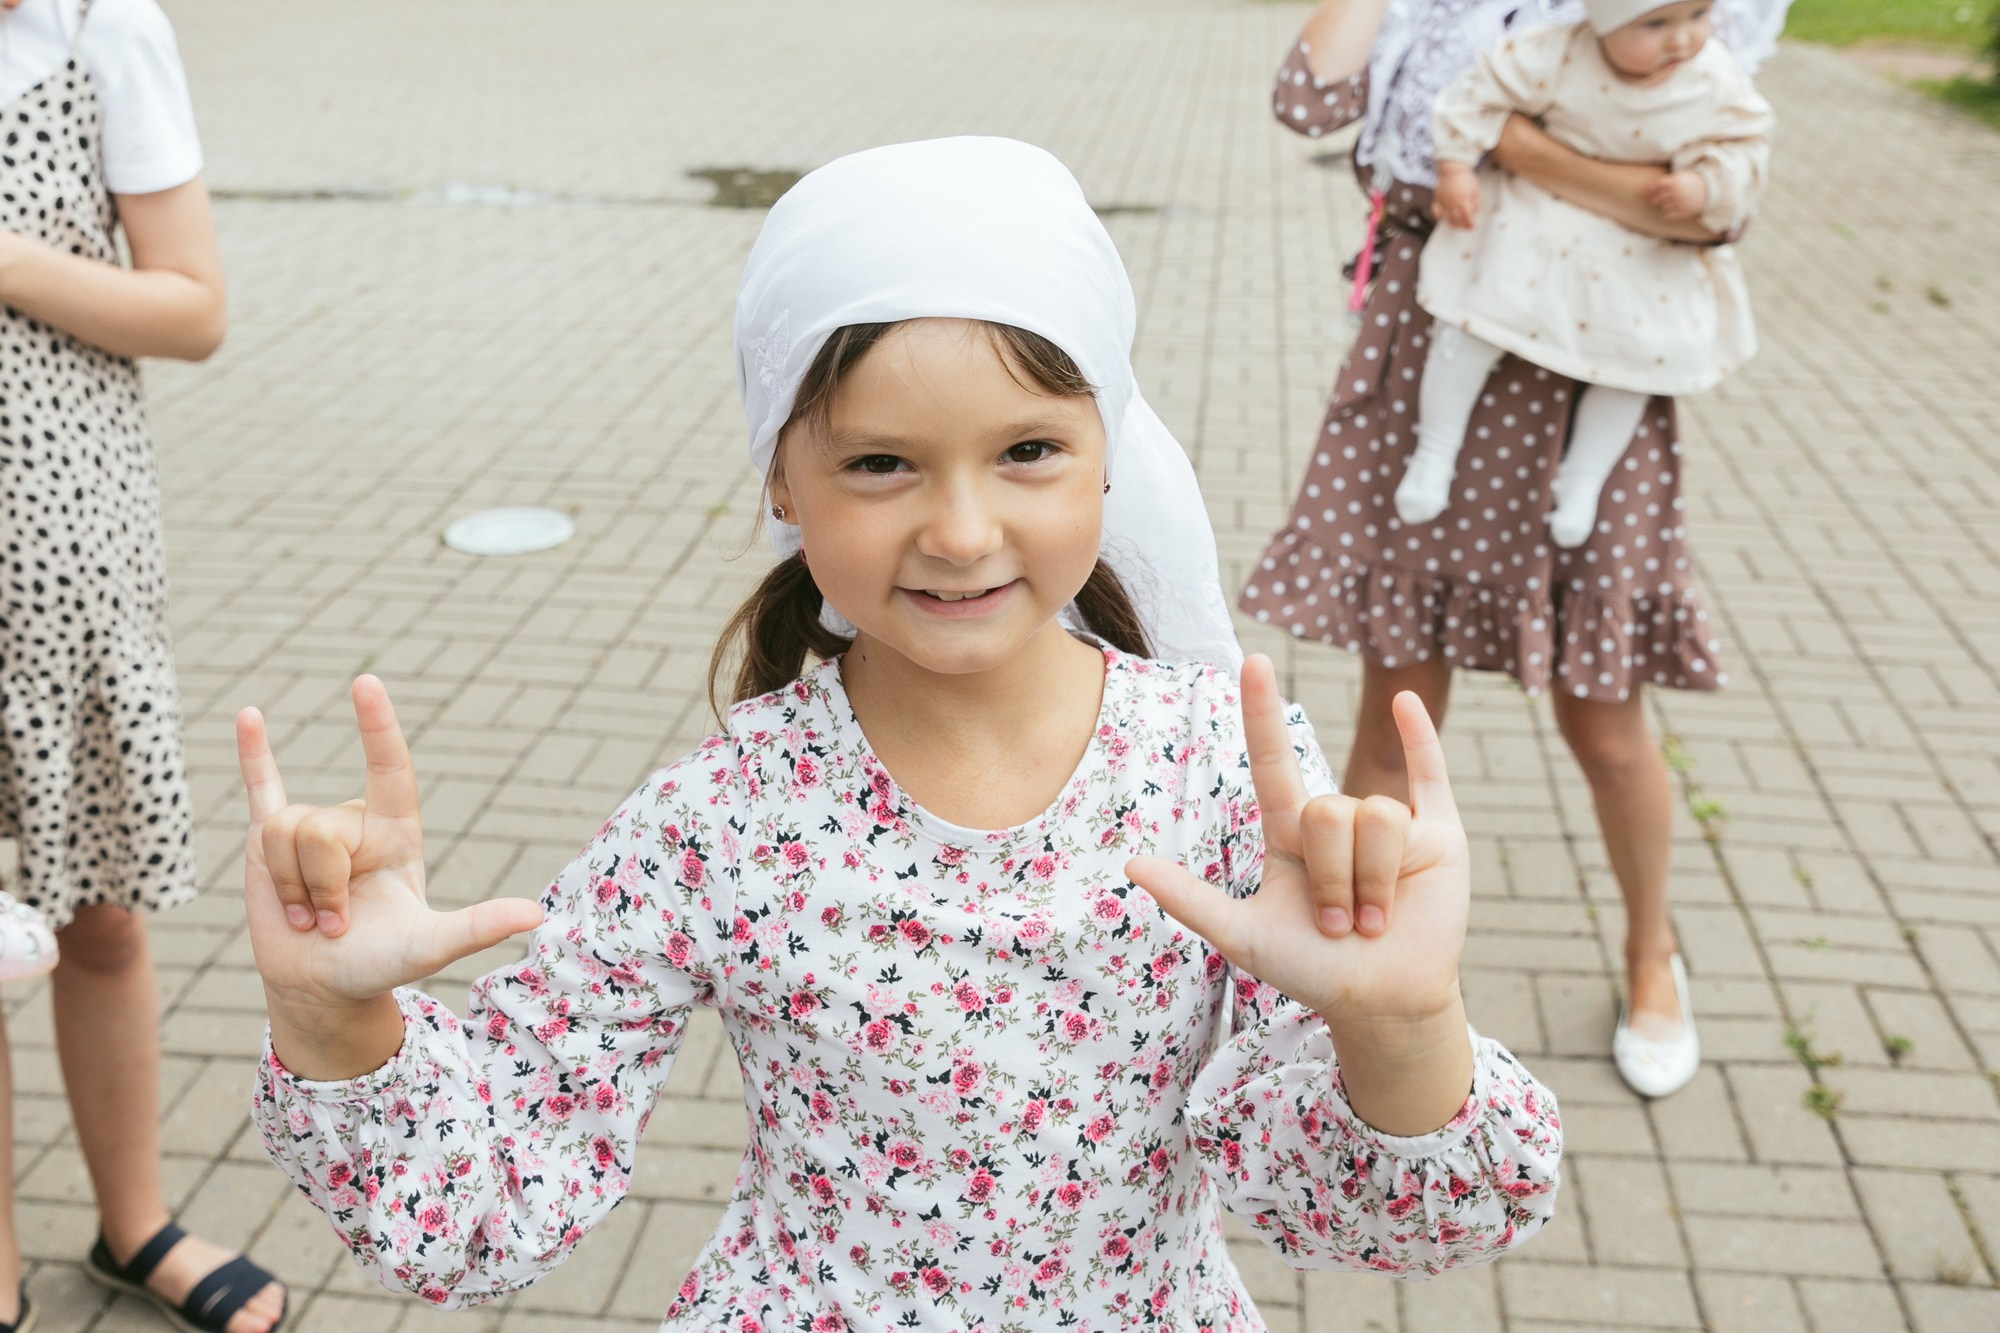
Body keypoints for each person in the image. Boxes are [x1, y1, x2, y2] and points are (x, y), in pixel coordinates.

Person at [240, 137, 1563, 1329]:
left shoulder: (1220, 763)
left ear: (1112, 448)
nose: (964, 529)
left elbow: (1378, 1207)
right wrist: (336, 1014)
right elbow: (487, 1201)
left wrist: (1400, 1024)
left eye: (1029, 450)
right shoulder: (720, 815)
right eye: (882, 463)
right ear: (780, 474)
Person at [1240, 0, 1786, 1100]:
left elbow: (1696, 207)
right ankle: (1347, 961)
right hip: (1437, 328)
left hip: (1600, 353)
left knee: (1606, 712)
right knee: (1395, 703)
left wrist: (1514, 143)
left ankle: (1649, 956)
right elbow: (1306, 103)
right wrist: (1529, 147)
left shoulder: (1671, 18)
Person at [0, 1, 289, 1330]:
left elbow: (192, 307)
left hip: (66, 552)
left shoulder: (97, 28)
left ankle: (135, 1223)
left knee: (99, 911)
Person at [1398, 0, 1772, 547]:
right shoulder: (1558, 52)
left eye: (1698, 13)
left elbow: (1746, 147)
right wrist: (1455, 167)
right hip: (1540, 214)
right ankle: (1436, 447)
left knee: (1644, 352)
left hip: (1641, 239)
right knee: (1470, 314)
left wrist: (1707, 184)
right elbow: (1477, 93)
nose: (1683, 39)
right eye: (1656, 23)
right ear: (1602, 21)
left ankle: (1583, 478)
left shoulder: (1715, 78)